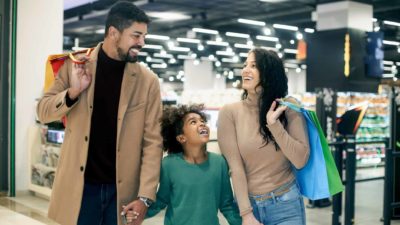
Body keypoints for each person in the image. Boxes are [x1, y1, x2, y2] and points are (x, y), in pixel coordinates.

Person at [36, 2, 163, 225]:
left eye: (143, 36)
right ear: (113, 33)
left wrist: (145, 197)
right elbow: (44, 112)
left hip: (122, 192)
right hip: (79, 189)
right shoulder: (74, 65)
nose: (141, 43)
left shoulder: (147, 82)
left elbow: (153, 142)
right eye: (136, 35)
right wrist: (74, 91)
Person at [217, 48, 310, 225]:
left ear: (268, 72)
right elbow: (235, 168)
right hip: (250, 208)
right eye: (245, 65)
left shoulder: (288, 107)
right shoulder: (230, 113)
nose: (245, 70)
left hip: (286, 205)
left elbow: (300, 159)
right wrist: (246, 214)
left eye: (254, 65)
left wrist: (274, 125)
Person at [124, 104, 242, 225]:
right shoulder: (169, 164)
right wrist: (137, 213)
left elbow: (227, 205)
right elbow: (161, 200)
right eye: (193, 122)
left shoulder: (219, 163)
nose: (202, 124)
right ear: (181, 138)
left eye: (202, 121)